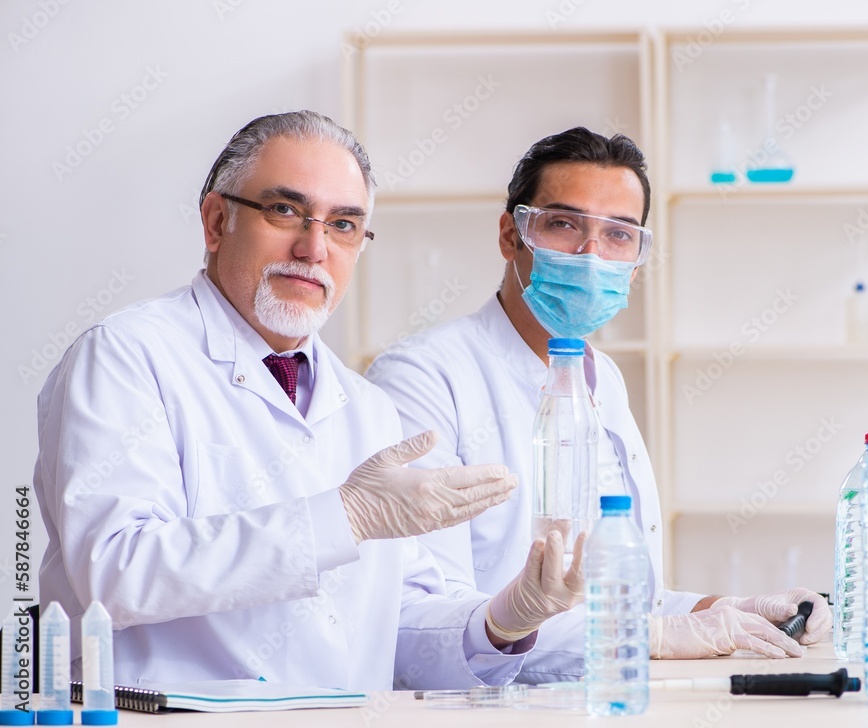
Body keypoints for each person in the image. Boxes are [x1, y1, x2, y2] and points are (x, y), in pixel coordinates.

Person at [33, 111, 587, 691]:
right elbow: (114, 573)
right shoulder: (126, 356)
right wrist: (345, 517)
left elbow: (396, 628)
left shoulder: (367, 408)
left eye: (344, 225)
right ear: (217, 221)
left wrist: (503, 622)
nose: (313, 248)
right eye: (284, 210)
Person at [366, 127, 832, 683]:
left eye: (618, 234)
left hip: (611, 701)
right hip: (490, 710)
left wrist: (727, 610)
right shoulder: (425, 377)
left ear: (636, 261)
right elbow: (422, 623)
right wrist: (649, 637)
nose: (591, 255)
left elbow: (622, 599)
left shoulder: (602, 376)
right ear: (511, 235)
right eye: (563, 224)